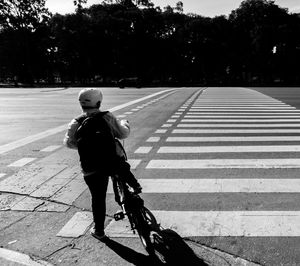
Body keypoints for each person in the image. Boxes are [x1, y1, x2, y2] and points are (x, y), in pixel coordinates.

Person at [63, 88, 142, 241]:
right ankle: (135, 187)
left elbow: (69, 143)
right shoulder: (106, 117)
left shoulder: (76, 122)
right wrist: (125, 124)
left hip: (91, 168)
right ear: (98, 102)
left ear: (81, 103)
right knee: (122, 167)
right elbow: (122, 133)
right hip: (111, 162)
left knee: (98, 199)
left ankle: (99, 231)